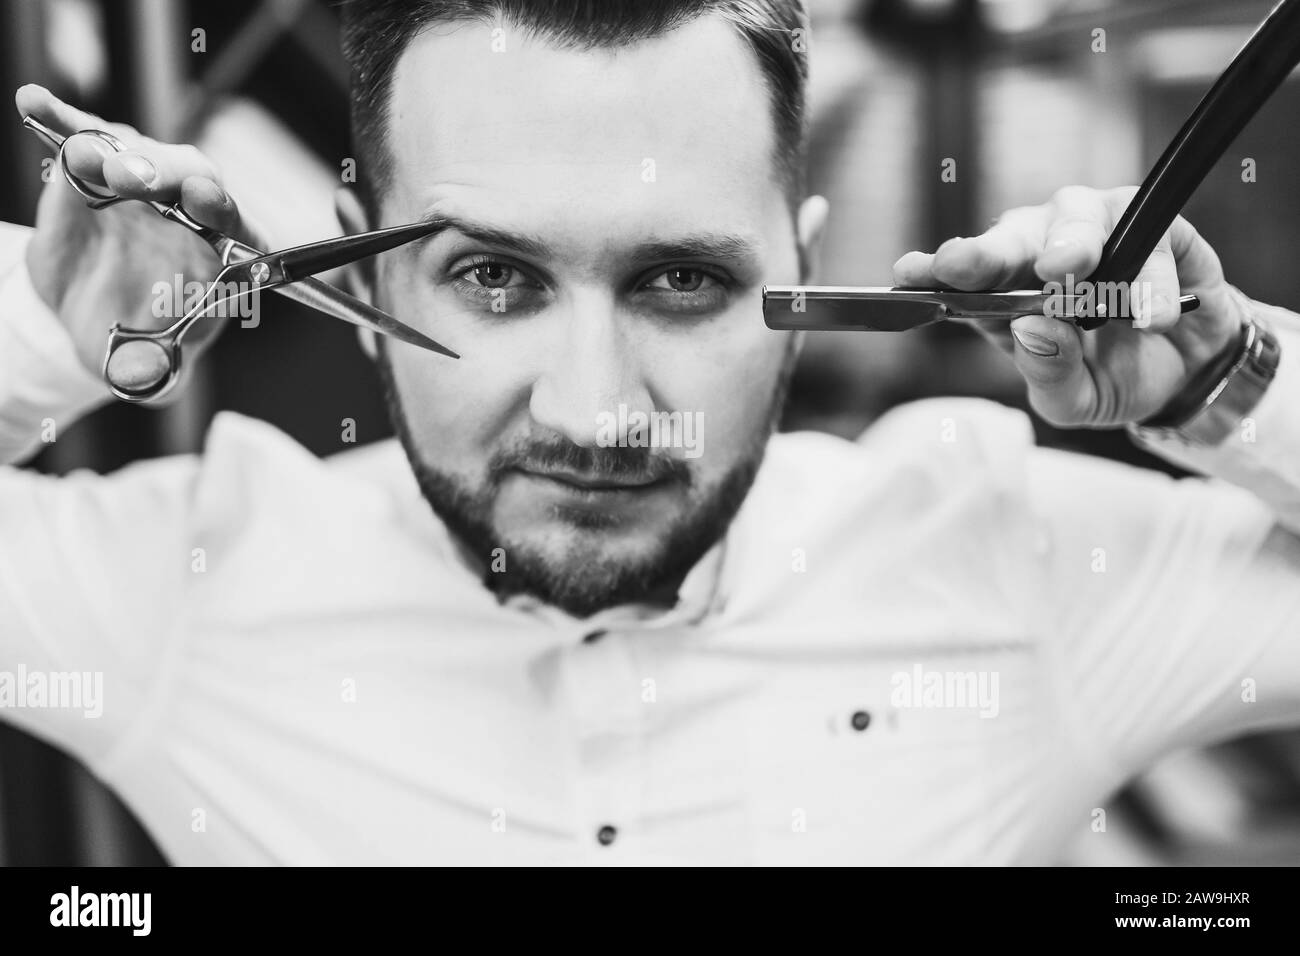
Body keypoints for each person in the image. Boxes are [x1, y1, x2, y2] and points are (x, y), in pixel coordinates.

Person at [1, 0, 1297, 865]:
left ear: (802, 266)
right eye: (494, 278)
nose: (594, 411)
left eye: (682, 279)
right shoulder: (187, 592)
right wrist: (49, 330)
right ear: (363, 278)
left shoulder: (1013, 566)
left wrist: (1225, 390)